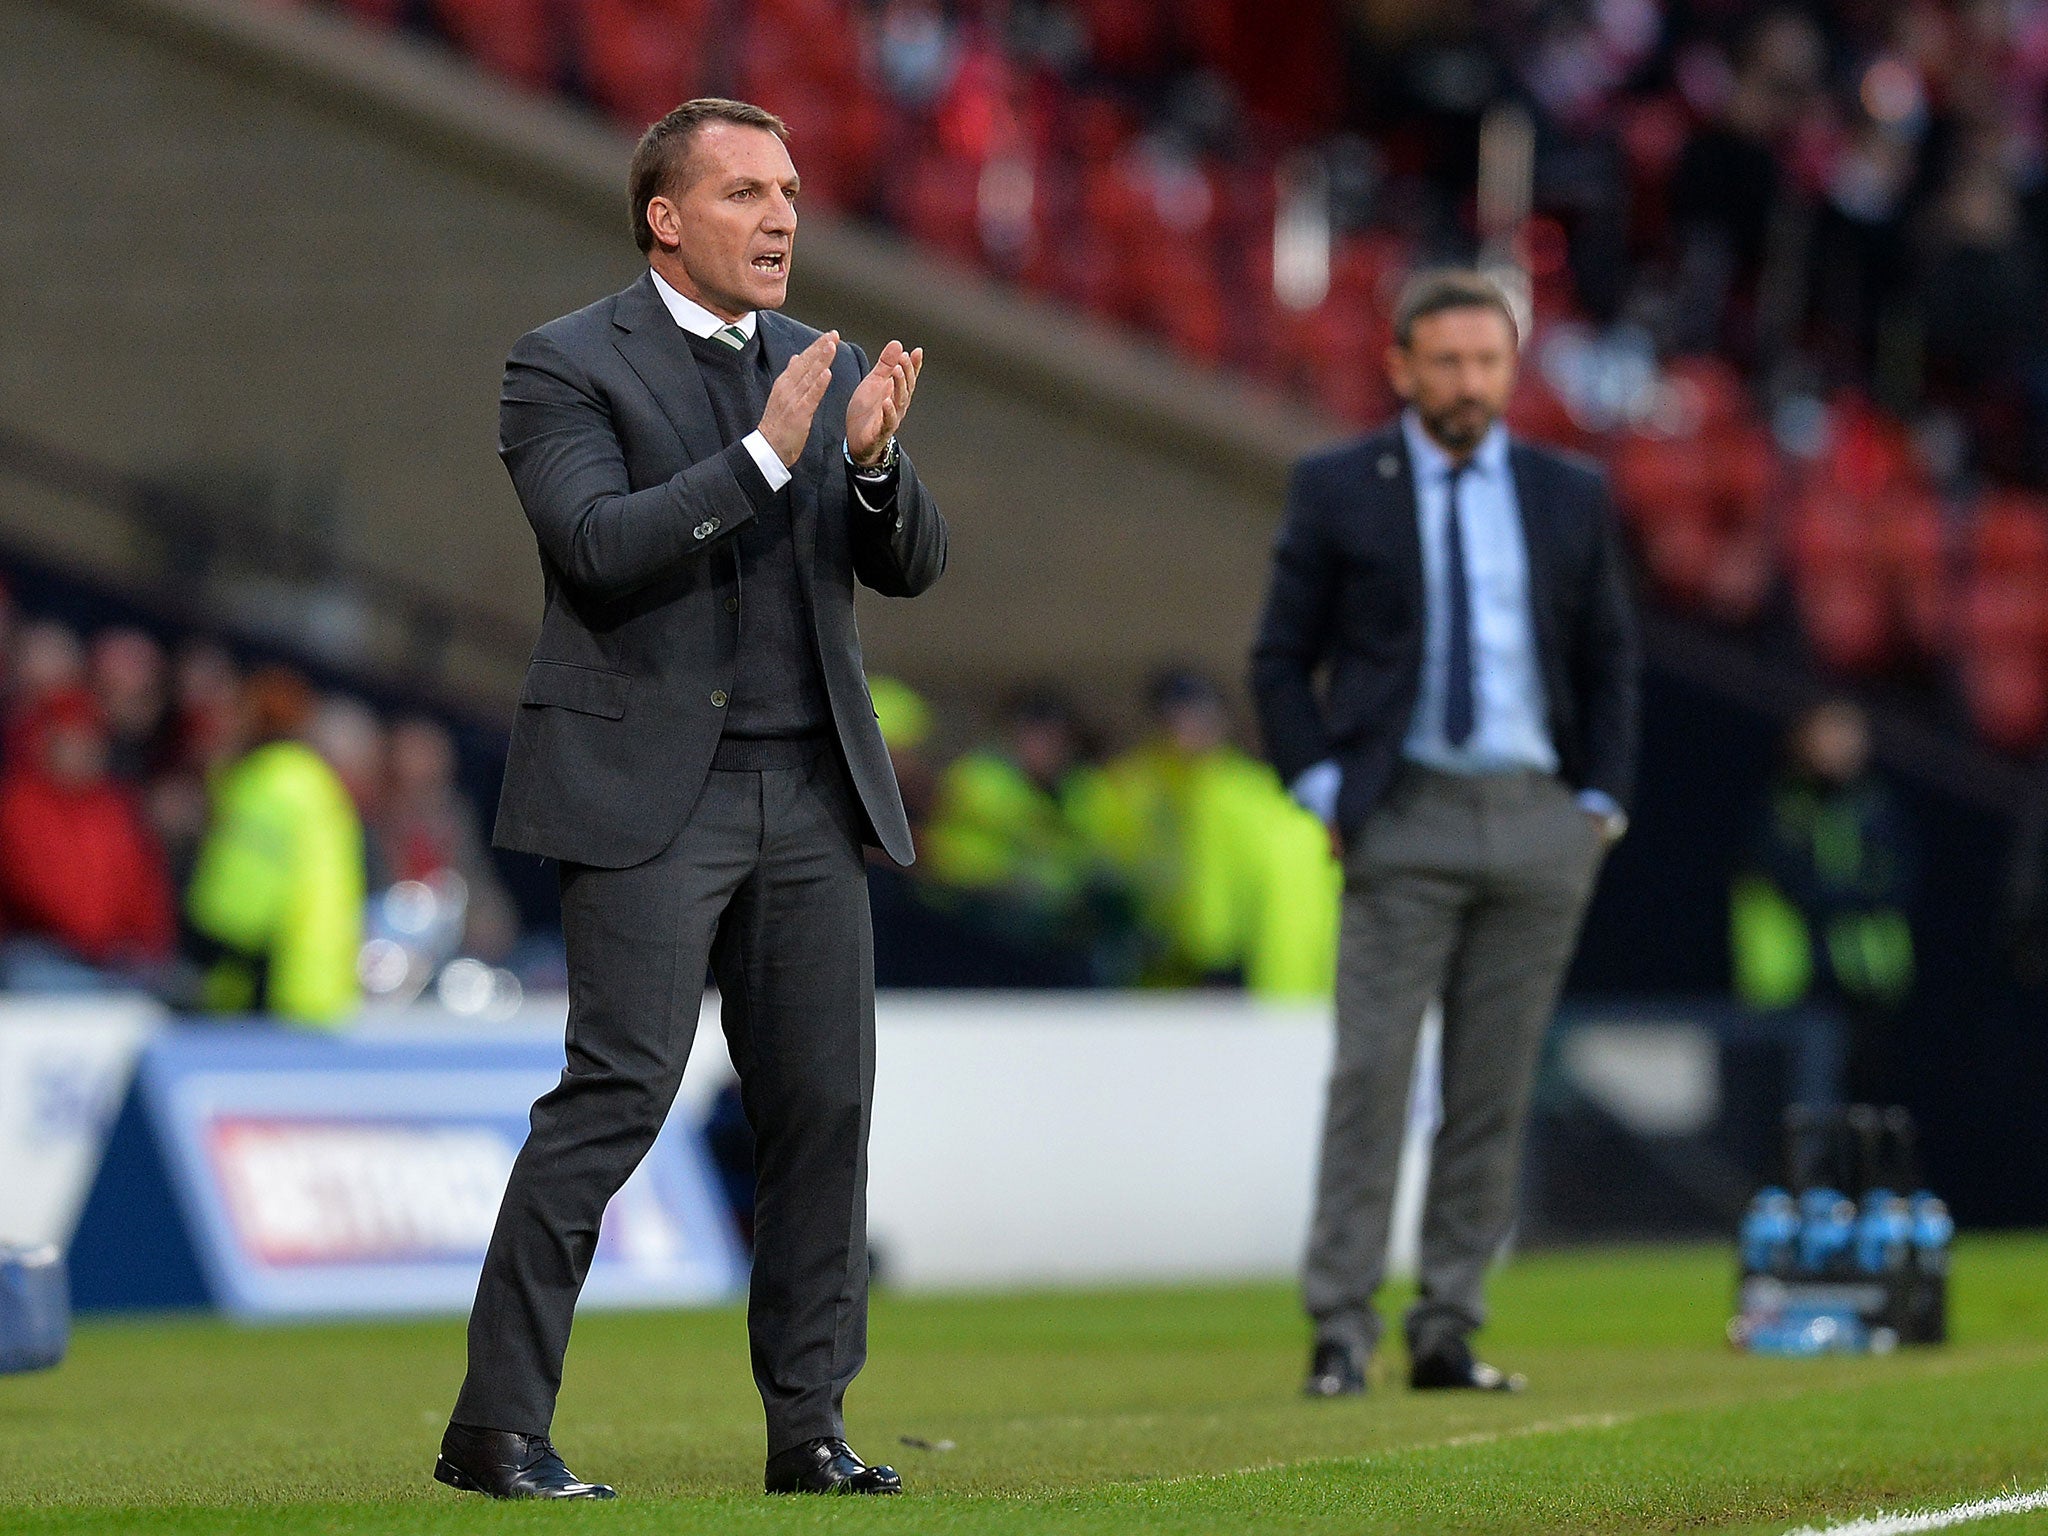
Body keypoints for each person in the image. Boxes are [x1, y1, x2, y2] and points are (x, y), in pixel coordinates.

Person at [437, 98, 945, 1502]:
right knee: (612, 1102)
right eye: (743, 193)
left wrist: (869, 462)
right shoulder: (560, 365)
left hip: (811, 788)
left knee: (823, 1113)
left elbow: (913, 566)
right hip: (650, 795)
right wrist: (769, 459)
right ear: (666, 217)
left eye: (788, 189)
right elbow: (598, 548)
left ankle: (810, 1431)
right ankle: (496, 1427)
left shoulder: (817, 364)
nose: (781, 216)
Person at [1250, 269, 1639, 1397]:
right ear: (1401, 367)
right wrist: (1323, 789)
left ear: (1510, 369)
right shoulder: (1338, 486)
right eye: (1448, 361)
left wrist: (1597, 807)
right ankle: (1338, 1326)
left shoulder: (1566, 492)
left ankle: (1448, 1327)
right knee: (1369, 1073)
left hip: (1533, 817)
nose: (1469, 383)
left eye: (1487, 361)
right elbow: (1279, 659)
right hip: (1401, 810)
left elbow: (1609, 659)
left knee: (1493, 1084)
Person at [1730, 698, 1914, 1105]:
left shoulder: (1879, 808)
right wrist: (1852, 893)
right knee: (1795, 1107)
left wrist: (1843, 893)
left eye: (1848, 734)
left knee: (1865, 1106)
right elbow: (1797, 885)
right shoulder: (1779, 808)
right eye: (1828, 734)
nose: (1839, 746)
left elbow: (1895, 884)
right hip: (1790, 986)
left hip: (1868, 983)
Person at [183, 667, 365, 1026]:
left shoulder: (267, 784)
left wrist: (191, 946)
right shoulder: (315, 781)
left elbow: (238, 913)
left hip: (269, 995)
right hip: (319, 993)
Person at [0, 688, 175, 990]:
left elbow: (145, 884)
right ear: (46, 742)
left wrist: (149, 945)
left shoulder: (115, 807)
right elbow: (38, 888)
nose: (81, 749)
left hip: (116, 960)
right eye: (70, 739)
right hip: (43, 954)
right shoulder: (20, 806)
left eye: (89, 739)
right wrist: (95, 939)